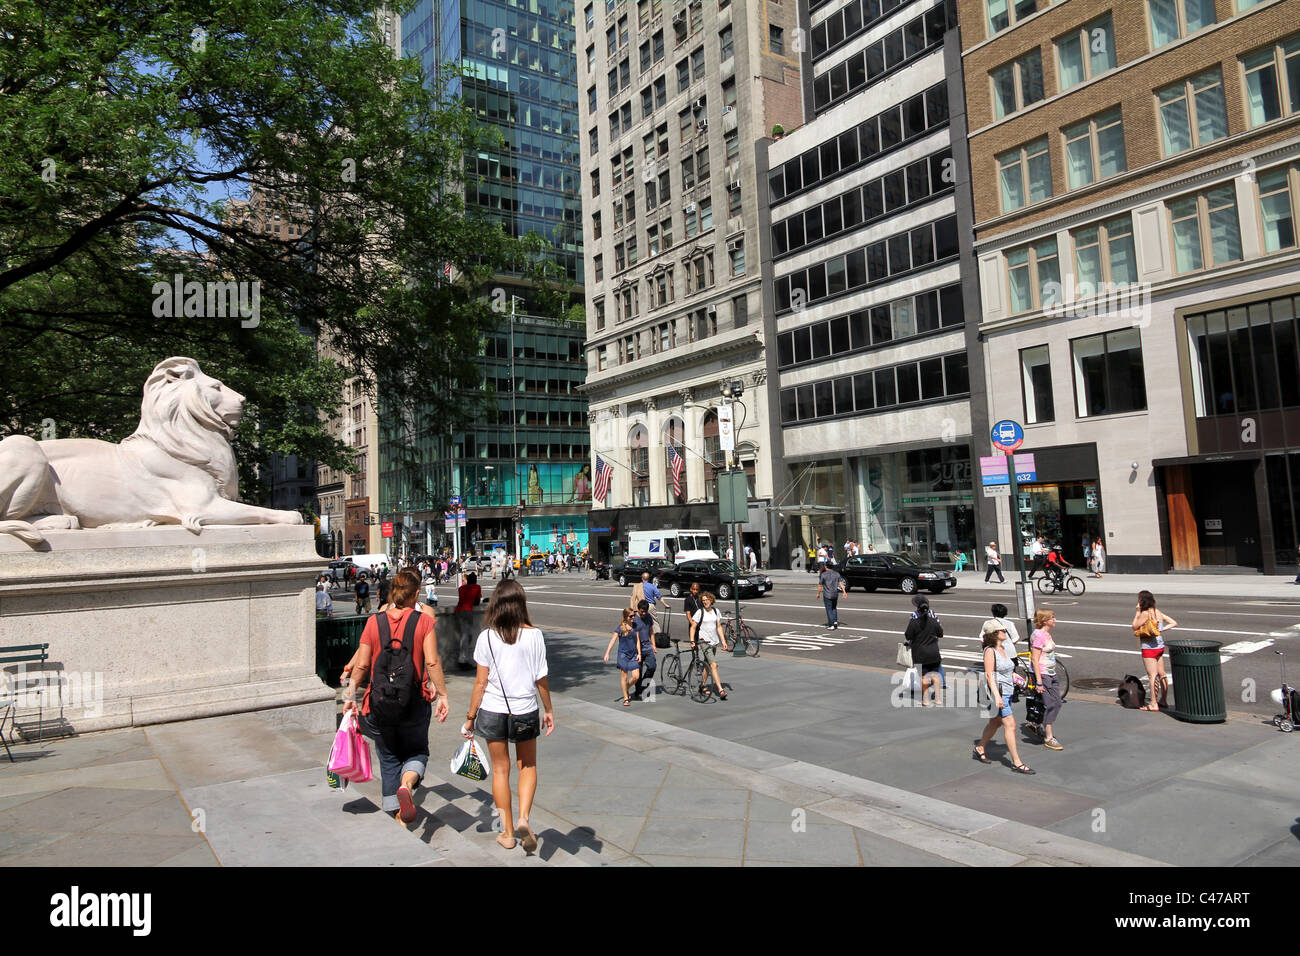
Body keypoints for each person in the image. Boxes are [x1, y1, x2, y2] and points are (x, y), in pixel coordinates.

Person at [344, 570, 450, 823]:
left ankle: (397, 815)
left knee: (388, 757)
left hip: (378, 703)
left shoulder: (374, 621)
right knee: (417, 751)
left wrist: (350, 694)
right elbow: (433, 662)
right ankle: (407, 783)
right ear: (415, 594)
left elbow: (362, 664)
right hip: (413, 701)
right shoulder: (423, 621)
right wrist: (443, 694)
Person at [462, 579, 554, 852]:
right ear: (521, 604)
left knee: (500, 770)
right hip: (525, 709)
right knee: (528, 766)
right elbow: (541, 680)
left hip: (492, 710)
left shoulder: (487, 637)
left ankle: (508, 832)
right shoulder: (534, 635)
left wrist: (470, 716)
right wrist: (548, 710)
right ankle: (525, 817)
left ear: (496, 604)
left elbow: (480, 682)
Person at [974, 620, 1034, 774]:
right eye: (1002, 630)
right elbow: (989, 676)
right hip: (998, 694)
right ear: (995, 634)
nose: (1005, 632)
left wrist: (1020, 680)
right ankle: (1017, 763)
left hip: (1007, 691)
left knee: (995, 723)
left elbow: (1007, 670)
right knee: (1010, 725)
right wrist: (997, 697)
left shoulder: (1002, 648)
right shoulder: (989, 651)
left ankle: (980, 747)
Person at [1133, 590, 1177, 712]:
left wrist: (1137, 612)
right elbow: (1174, 623)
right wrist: (1161, 630)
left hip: (1149, 648)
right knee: (1162, 674)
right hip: (1159, 647)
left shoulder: (1145, 613)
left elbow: (1134, 626)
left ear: (1142, 601)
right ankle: (1163, 699)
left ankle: (1153, 703)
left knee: (1152, 675)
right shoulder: (1157, 612)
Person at [1028, 609, 1065, 749]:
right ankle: (1049, 737)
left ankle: (1035, 724)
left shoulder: (1046, 634)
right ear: (1045, 621)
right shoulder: (1039, 636)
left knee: (1058, 703)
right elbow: (1035, 660)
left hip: (1051, 673)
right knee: (1051, 704)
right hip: (1043, 674)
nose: (1054, 620)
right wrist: (1038, 681)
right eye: (1052, 618)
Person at [689, 591, 729, 699]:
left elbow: (719, 627)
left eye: (707, 600)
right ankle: (721, 690)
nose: (705, 602)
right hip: (704, 642)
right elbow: (693, 627)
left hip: (714, 642)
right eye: (703, 601)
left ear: (711, 600)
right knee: (714, 665)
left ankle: (702, 685)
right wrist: (692, 641)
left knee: (707, 666)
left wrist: (723, 642)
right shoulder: (699, 612)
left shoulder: (716, 611)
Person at [905, 595, 944, 706]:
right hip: (934, 653)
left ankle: (926, 699)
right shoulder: (933, 621)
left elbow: (908, 636)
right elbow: (940, 633)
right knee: (935, 675)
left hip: (920, 654)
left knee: (924, 676)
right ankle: (937, 699)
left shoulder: (914, 622)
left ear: (918, 610)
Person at [603, 608, 641, 707]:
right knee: (624, 677)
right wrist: (607, 653)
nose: (633, 618)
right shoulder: (620, 628)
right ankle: (626, 698)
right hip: (623, 655)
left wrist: (639, 653)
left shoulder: (635, 626)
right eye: (631, 616)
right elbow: (613, 641)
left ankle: (626, 687)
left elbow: (637, 641)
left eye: (634, 615)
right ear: (625, 617)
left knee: (636, 676)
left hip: (633, 654)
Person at [629, 600, 657, 700]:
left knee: (652, 667)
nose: (644, 613)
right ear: (638, 609)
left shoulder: (648, 617)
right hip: (637, 650)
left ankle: (643, 686)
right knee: (638, 672)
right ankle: (638, 690)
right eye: (642, 611)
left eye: (645, 611)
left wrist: (653, 645)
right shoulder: (634, 619)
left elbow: (651, 631)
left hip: (648, 647)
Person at [455, 571, 483, 668]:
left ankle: (463, 658)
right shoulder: (476, 587)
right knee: (466, 636)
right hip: (467, 611)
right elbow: (477, 601)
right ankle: (463, 659)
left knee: (464, 635)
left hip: (458, 611)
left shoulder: (461, 588)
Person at [816, 560, 847, 630]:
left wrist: (818, 593)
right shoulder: (836, 574)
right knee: (834, 608)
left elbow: (820, 585)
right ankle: (835, 621)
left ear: (826, 566)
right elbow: (841, 583)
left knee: (829, 609)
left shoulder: (823, 575)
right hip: (835, 594)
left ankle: (831, 624)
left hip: (827, 594)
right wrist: (844, 592)